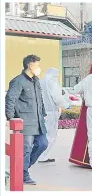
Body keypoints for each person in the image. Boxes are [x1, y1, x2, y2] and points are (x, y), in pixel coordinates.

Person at [5, 55, 48, 185]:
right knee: (26, 149)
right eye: (37, 65)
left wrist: (43, 113)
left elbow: (40, 99)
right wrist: (10, 117)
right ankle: (23, 174)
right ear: (30, 65)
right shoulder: (18, 81)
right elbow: (10, 99)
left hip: (38, 121)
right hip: (26, 121)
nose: (39, 68)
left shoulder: (36, 80)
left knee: (43, 144)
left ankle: (20, 169)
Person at [38, 68, 70, 163]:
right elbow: (57, 98)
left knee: (43, 134)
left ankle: (40, 155)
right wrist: (66, 105)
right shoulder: (52, 82)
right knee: (51, 135)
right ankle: (43, 156)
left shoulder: (41, 82)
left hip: (42, 112)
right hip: (51, 112)